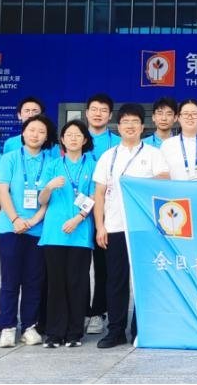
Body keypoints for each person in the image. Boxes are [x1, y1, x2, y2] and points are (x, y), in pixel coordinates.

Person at [93, 104, 167, 348]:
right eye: (125, 122)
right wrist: (100, 226)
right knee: (116, 280)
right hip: (114, 226)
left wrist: (136, 184)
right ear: (119, 126)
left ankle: (140, 328)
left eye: (135, 121)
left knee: (144, 279)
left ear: (142, 126)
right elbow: (99, 193)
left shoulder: (154, 154)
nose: (130, 126)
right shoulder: (108, 156)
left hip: (144, 227)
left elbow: (164, 181)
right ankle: (115, 330)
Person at [0, 114, 54, 348]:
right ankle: (7, 326)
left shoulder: (51, 161)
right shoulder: (9, 158)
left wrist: (35, 219)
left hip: (38, 229)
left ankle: (29, 326)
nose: (35, 135)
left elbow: (50, 197)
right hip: (10, 227)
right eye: (31, 130)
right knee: (10, 279)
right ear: (23, 133)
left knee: (33, 280)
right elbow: (2, 191)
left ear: (46, 137)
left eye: (41, 131)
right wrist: (16, 219)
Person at [38, 120, 97, 348]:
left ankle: (74, 333)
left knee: (77, 282)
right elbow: (42, 200)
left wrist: (78, 219)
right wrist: (49, 187)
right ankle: (54, 333)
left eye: (78, 135)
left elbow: (93, 198)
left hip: (80, 233)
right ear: (62, 140)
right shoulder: (53, 165)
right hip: (54, 233)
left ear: (85, 139)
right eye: (69, 134)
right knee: (56, 283)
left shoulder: (92, 165)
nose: (73, 138)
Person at [83, 93, 119, 335]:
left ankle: (98, 312)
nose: (98, 114)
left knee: (104, 266)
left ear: (110, 115)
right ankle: (80, 311)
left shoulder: (118, 143)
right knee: (77, 266)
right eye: (94, 109)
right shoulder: (75, 137)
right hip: (75, 213)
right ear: (86, 112)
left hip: (106, 212)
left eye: (103, 110)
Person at [160, 99, 197, 181]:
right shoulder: (167, 145)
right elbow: (162, 175)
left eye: (194, 114)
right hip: (175, 189)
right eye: (185, 114)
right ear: (179, 118)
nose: (190, 117)